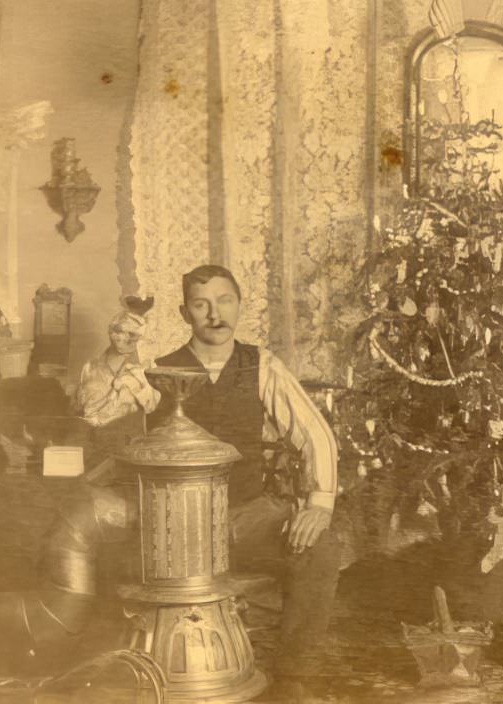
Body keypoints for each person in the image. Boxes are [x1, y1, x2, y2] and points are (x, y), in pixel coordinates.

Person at [150, 264, 341, 694]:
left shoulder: (259, 365)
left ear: (239, 305)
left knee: (321, 549)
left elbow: (315, 434)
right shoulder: (159, 370)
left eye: (224, 301)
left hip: (246, 517)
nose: (214, 314)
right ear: (185, 314)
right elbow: (107, 419)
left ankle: (294, 677)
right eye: (201, 305)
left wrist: (319, 504)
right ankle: (162, 676)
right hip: (176, 527)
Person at [74, 298, 161, 432]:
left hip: (129, 437)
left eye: (131, 335)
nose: (122, 338)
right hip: (90, 435)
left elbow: (152, 408)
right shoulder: (90, 367)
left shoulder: (146, 369)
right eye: (117, 332)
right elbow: (79, 407)